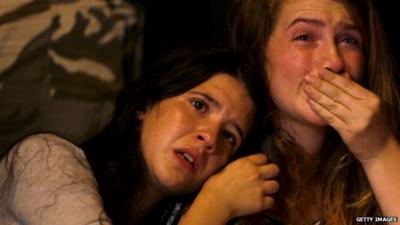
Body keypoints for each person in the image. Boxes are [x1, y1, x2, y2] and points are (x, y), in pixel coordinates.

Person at [0, 46, 279, 225]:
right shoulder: (46, 160)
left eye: (229, 136)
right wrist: (217, 204)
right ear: (144, 105)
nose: (210, 137)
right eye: (199, 105)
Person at [231, 0, 400, 224]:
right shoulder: (214, 157)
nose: (334, 61)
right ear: (258, 53)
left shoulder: (375, 171)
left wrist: (379, 153)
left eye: (348, 40)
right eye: (304, 37)